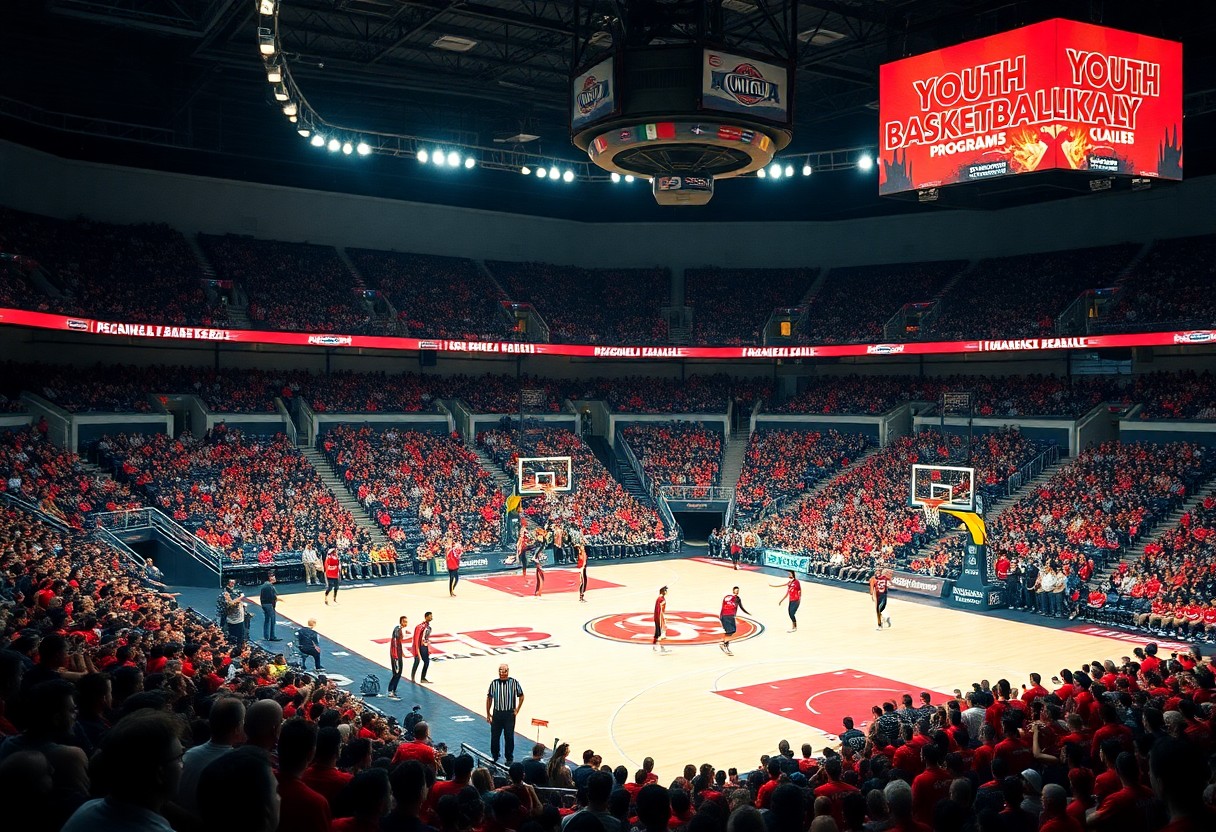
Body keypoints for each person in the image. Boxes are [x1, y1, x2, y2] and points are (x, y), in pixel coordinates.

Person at [486, 663, 525, 764]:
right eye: (500, 670)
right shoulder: (493, 683)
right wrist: (488, 713)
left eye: (503, 670)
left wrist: (517, 709)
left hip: (509, 714)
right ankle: (495, 755)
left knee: (509, 736)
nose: (501, 672)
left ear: (507, 671)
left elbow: (521, 696)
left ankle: (509, 757)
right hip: (497, 713)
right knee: (494, 736)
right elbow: (489, 698)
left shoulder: (514, 682)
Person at [719, 585, 751, 656]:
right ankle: (725, 646)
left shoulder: (729, 597)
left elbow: (740, 606)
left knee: (732, 631)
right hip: (727, 616)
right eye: (736, 591)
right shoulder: (734, 598)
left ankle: (723, 643)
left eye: (738, 591)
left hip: (727, 616)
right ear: (733, 591)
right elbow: (740, 607)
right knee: (730, 631)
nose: (737, 592)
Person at [220, 578, 247, 648]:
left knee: (233, 635)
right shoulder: (227, 596)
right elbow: (231, 603)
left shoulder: (229, 595)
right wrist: (241, 597)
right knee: (238, 636)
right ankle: (238, 647)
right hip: (236, 621)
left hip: (231, 620)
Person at [388, 615, 408, 700]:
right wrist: (396, 656)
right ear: (401, 622)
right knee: (396, 673)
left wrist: (402, 653)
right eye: (405, 621)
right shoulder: (397, 630)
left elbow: (399, 643)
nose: (406, 623)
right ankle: (390, 691)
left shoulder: (399, 629)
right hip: (395, 654)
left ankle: (393, 690)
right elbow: (395, 643)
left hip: (398, 653)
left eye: (407, 621)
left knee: (399, 673)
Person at [258, 573, 282, 642]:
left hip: (265, 604)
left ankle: (266, 636)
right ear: (270, 578)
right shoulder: (269, 586)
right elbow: (272, 597)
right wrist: (275, 602)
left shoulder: (266, 585)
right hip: (269, 605)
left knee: (267, 620)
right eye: (274, 577)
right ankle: (272, 636)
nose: (275, 578)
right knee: (272, 620)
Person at [412, 611, 433, 684]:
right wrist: (417, 650)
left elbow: (427, 638)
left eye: (431, 616)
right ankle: (413, 677)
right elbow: (416, 639)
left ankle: (422, 678)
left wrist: (428, 648)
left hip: (425, 646)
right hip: (421, 646)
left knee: (426, 662)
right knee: (417, 660)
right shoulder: (420, 627)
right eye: (430, 616)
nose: (431, 617)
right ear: (426, 617)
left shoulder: (428, 627)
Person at [653, 586, 670, 654]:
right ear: (663, 591)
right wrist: (661, 618)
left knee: (658, 633)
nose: (666, 592)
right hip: (659, 616)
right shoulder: (660, 599)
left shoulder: (661, 598)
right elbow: (659, 610)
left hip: (660, 616)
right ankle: (660, 648)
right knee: (660, 633)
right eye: (665, 591)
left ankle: (657, 647)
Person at [576, 536, 589, 602]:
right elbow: (583, 561)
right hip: (582, 568)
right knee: (582, 582)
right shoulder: (581, 553)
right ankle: (581, 596)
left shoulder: (583, 552)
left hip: (584, 567)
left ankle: (582, 595)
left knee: (585, 581)